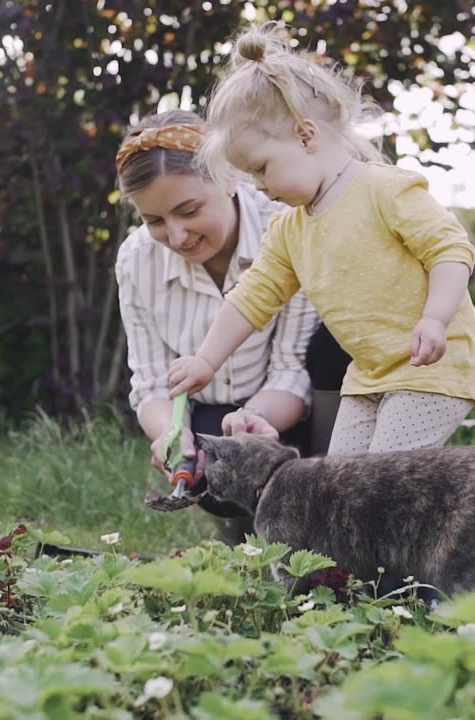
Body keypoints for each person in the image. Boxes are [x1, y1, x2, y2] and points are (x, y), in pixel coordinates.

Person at [168, 23, 475, 455]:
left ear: (305, 136)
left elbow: (450, 250)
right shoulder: (289, 229)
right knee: (341, 487)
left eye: (262, 167)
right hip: (369, 375)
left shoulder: (384, 190)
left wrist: (435, 318)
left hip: (433, 366)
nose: (259, 185)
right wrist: (206, 361)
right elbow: (251, 297)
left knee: (379, 485)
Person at [114, 109, 349, 542]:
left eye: (188, 210)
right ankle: (238, 528)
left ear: (227, 178)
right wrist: (173, 433)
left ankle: (334, 495)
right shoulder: (136, 261)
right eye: (156, 221)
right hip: (210, 415)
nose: (178, 235)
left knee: (336, 347)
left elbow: (292, 368)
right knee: (215, 458)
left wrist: (252, 422)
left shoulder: (284, 230)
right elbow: (149, 384)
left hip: (290, 413)